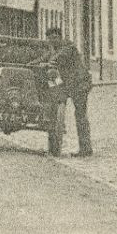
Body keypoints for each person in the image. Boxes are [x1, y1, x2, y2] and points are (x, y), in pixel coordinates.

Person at [44, 26, 92, 157]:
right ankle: (55, 141)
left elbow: (60, 57)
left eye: (55, 38)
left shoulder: (68, 46)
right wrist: (32, 63)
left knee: (80, 116)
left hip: (80, 84)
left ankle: (86, 149)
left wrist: (51, 63)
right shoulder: (54, 49)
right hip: (68, 84)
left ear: (60, 37)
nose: (52, 41)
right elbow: (46, 57)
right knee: (56, 103)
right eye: (50, 39)